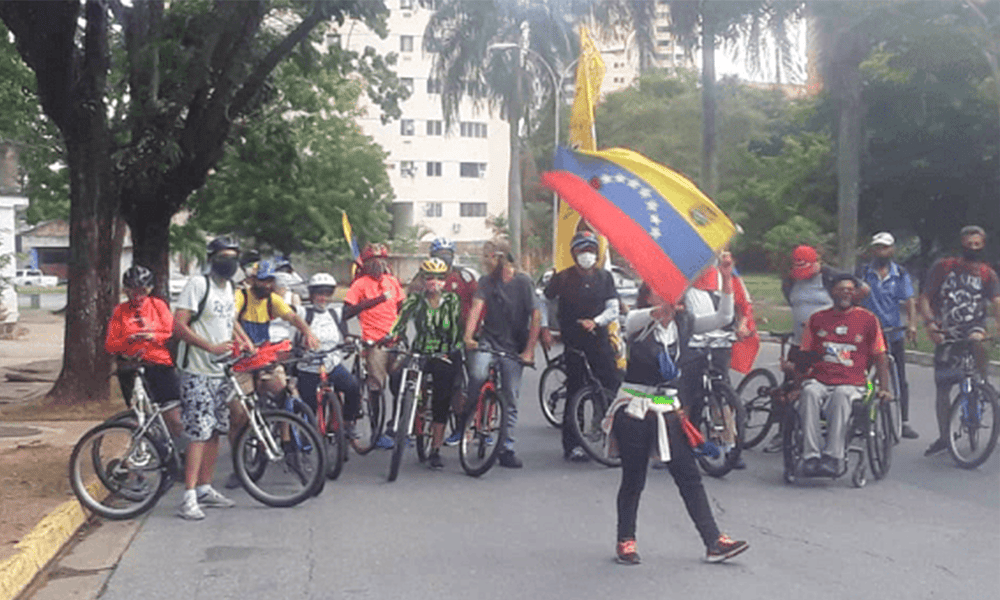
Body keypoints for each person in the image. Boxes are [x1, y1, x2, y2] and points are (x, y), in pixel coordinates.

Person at [607, 253, 749, 565]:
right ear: (649, 294)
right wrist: (659, 310)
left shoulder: (684, 323)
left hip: (667, 410)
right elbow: (635, 321)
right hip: (634, 409)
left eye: (674, 291)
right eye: (662, 290)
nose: (672, 296)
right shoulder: (637, 324)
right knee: (633, 479)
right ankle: (626, 540)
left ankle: (713, 541)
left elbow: (724, 317)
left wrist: (726, 277)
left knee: (689, 476)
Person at [172, 235, 252, 520]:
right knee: (198, 432)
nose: (229, 262)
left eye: (233, 256)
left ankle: (205, 486)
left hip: (220, 371)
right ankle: (189, 496)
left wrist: (242, 340)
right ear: (212, 258)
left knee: (216, 429)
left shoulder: (229, 288)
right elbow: (178, 326)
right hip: (197, 370)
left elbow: (229, 321)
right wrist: (209, 347)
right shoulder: (197, 285)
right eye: (223, 257)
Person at [798, 273, 893, 477]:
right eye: (841, 290)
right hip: (821, 379)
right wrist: (794, 384)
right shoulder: (817, 319)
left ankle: (834, 457)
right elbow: (804, 355)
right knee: (809, 393)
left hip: (853, 382)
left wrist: (884, 389)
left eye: (850, 290)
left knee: (841, 395)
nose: (845, 294)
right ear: (832, 292)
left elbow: (880, 356)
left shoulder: (868, 320)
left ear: (856, 294)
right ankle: (811, 456)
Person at [918, 225, 1000, 457]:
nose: (973, 248)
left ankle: (984, 381)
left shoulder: (987, 273)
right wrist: (930, 324)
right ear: (961, 243)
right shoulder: (944, 267)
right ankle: (945, 437)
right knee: (943, 387)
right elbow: (925, 297)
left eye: (977, 244)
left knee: (977, 340)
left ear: (983, 245)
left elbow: (996, 301)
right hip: (947, 329)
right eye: (969, 244)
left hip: (973, 325)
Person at [541, 230, 621, 462]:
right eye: (582, 250)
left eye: (591, 250)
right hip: (574, 344)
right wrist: (545, 328)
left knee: (611, 389)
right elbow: (544, 300)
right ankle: (573, 444)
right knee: (576, 391)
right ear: (574, 253)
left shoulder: (605, 278)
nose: (587, 254)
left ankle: (612, 438)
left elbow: (613, 308)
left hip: (600, 342)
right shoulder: (563, 278)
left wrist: (595, 322)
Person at [762, 245, 848, 453]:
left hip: (826, 344)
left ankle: (829, 428)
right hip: (799, 342)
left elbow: (853, 295)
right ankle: (783, 432)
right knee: (790, 386)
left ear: (817, 262)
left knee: (824, 383)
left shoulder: (829, 278)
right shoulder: (791, 281)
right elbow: (792, 302)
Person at [464, 236, 541, 469]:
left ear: (499, 258)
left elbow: (536, 316)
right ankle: (467, 420)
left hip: (513, 347)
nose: (485, 262)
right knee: (477, 375)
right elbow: (477, 308)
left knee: (510, 396)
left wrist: (529, 350)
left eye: (488, 257)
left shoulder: (523, 283)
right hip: (489, 340)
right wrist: (468, 336)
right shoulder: (487, 282)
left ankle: (506, 446)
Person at [676, 255, 756, 468]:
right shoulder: (684, 280)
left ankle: (731, 446)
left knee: (721, 396)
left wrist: (743, 325)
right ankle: (678, 443)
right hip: (692, 344)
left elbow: (743, 305)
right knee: (685, 394)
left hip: (720, 342)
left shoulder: (727, 277)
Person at [387, 257, 464, 469]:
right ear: (422, 279)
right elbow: (399, 322)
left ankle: (436, 449)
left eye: (439, 277)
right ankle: (406, 418)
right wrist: (392, 336)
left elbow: (456, 330)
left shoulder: (452, 301)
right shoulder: (414, 300)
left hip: (443, 354)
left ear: (445, 279)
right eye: (429, 277)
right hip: (420, 352)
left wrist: (454, 349)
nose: (434, 281)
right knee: (396, 378)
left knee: (442, 396)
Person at [855, 231, 919, 439]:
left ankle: (904, 421)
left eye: (885, 247)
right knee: (863, 376)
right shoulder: (863, 272)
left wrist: (912, 325)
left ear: (892, 250)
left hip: (893, 333)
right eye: (878, 247)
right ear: (873, 250)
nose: (881, 251)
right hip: (867, 333)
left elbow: (909, 300)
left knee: (899, 377)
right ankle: (861, 418)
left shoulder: (899, 273)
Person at [104, 265, 182, 437]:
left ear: (149, 289)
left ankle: (176, 448)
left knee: (173, 415)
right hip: (131, 366)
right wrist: (128, 341)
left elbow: (170, 331)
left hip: (159, 364)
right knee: (138, 415)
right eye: (132, 291)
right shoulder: (120, 311)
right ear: (126, 290)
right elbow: (110, 343)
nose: (137, 295)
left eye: (142, 290)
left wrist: (151, 335)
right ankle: (143, 448)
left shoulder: (158, 305)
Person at [343, 243, 404, 448]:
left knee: (401, 384)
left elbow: (401, 307)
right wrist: (374, 301)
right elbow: (346, 312)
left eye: (382, 259)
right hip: (374, 342)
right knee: (376, 386)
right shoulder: (359, 285)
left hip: (394, 340)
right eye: (373, 261)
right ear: (366, 264)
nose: (379, 264)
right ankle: (376, 430)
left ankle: (395, 427)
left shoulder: (393, 282)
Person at [294, 273, 362, 440]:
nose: (323, 298)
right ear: (311, 295)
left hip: (332, 364)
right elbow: (285, 311)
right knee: (309, 408)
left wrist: (349, 341)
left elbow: (346, 330)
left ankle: (347, 424)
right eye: (319, 293)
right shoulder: (303, 313)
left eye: (327, 294)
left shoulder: (335, 313)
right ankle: (307, 438)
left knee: (353, 387)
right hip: (309, 367)